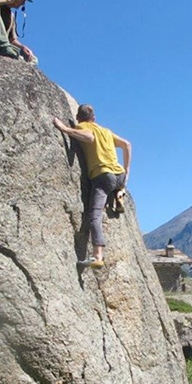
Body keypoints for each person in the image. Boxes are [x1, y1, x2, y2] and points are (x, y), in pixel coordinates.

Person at [52, 104, 131, 268]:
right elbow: (127, 145)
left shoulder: (83, 126)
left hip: (103, 176)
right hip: (119, 175)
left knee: (94, 216)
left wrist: (64, 129)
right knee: (116, 186)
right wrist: (127, 169)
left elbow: (88, 137)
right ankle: (119, 194)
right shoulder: (106, 131)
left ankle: (98, 256)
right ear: (94, 118)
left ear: (78, 118)